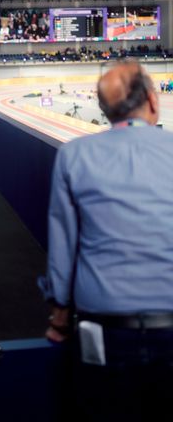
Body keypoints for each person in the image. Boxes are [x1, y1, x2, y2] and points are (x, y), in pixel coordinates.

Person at [40, 61, 173, 422]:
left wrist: (60, 317)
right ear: (151, 100)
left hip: (104, 329)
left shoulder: (74, 155)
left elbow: (64, 246)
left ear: (104, 109)